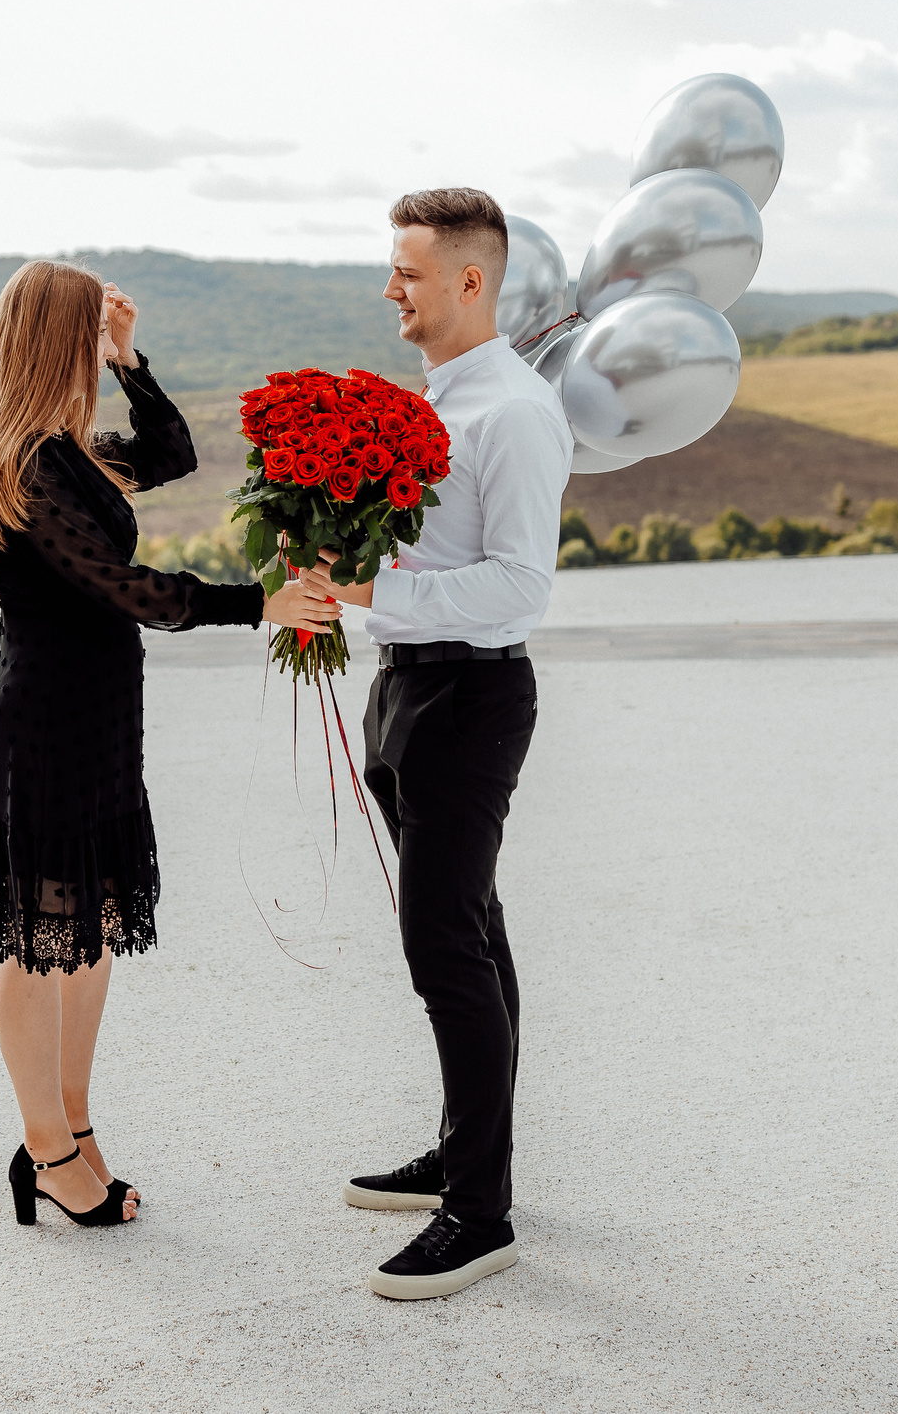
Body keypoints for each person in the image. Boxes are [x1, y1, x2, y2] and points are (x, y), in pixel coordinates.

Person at [0, 258, 340, 1230]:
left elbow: (170, 453)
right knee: (41, 944)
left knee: (86, 937)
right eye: (85, 334)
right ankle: (42, 1152)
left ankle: (73, 1131)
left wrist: (128, 357)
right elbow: (128, 594)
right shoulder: (25, 466)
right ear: (49, 341)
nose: (95, 345)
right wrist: (258, 602)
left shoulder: (66, 449)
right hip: (42, 731)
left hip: (98, 727)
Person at [305, 188, 572, 1299]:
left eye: (406, 272)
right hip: (407, 690)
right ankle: (467, 1151)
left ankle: (481, 1215)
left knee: (442, 949)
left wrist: (367, 586)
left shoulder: (508, 411)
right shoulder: (436, 404)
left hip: (470, 701)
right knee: (468, 930)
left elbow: (519, 584)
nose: (389, 289)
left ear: (469, 281)